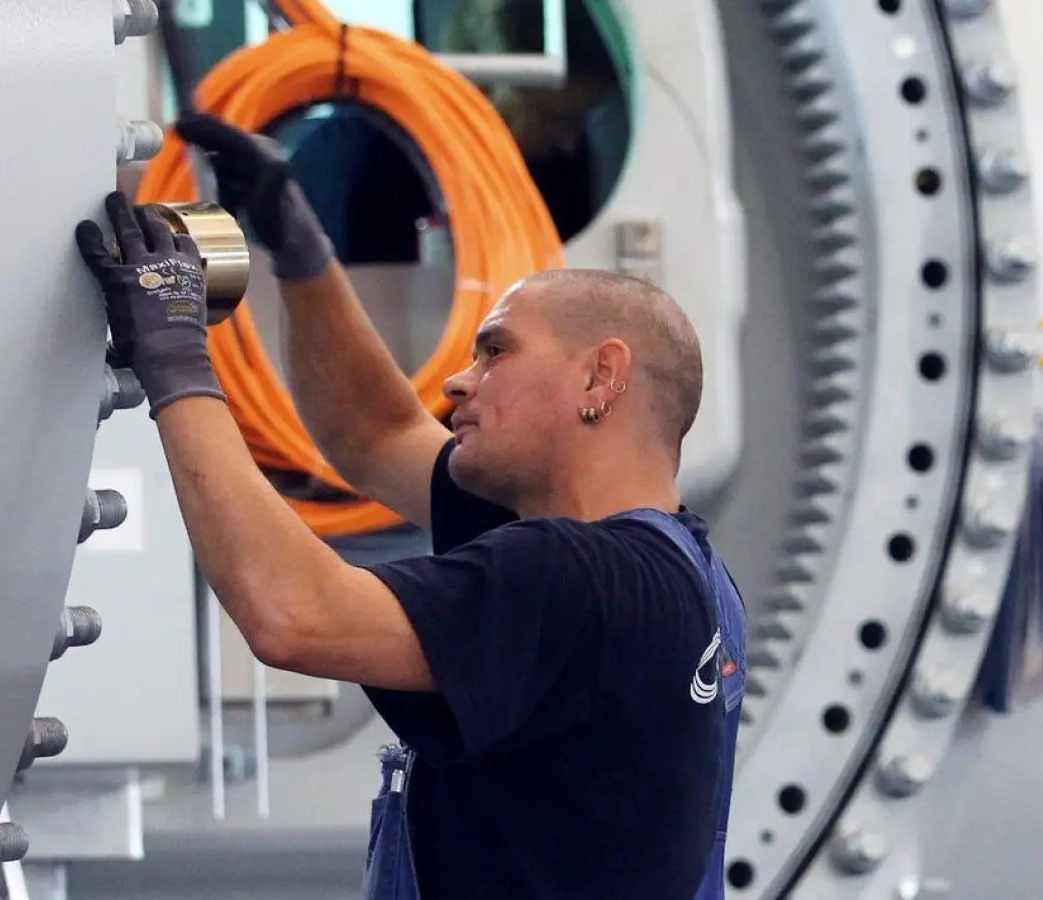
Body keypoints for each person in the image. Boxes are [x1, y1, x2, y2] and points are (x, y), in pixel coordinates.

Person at [73, 114, 747, 900]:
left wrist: (175, 356)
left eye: (496, 351)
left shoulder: (580, 580)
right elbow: (374, 432)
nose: (459, 381)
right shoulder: (683, 575)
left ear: (602, 379)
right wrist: (296, 244)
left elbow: (292, 613)